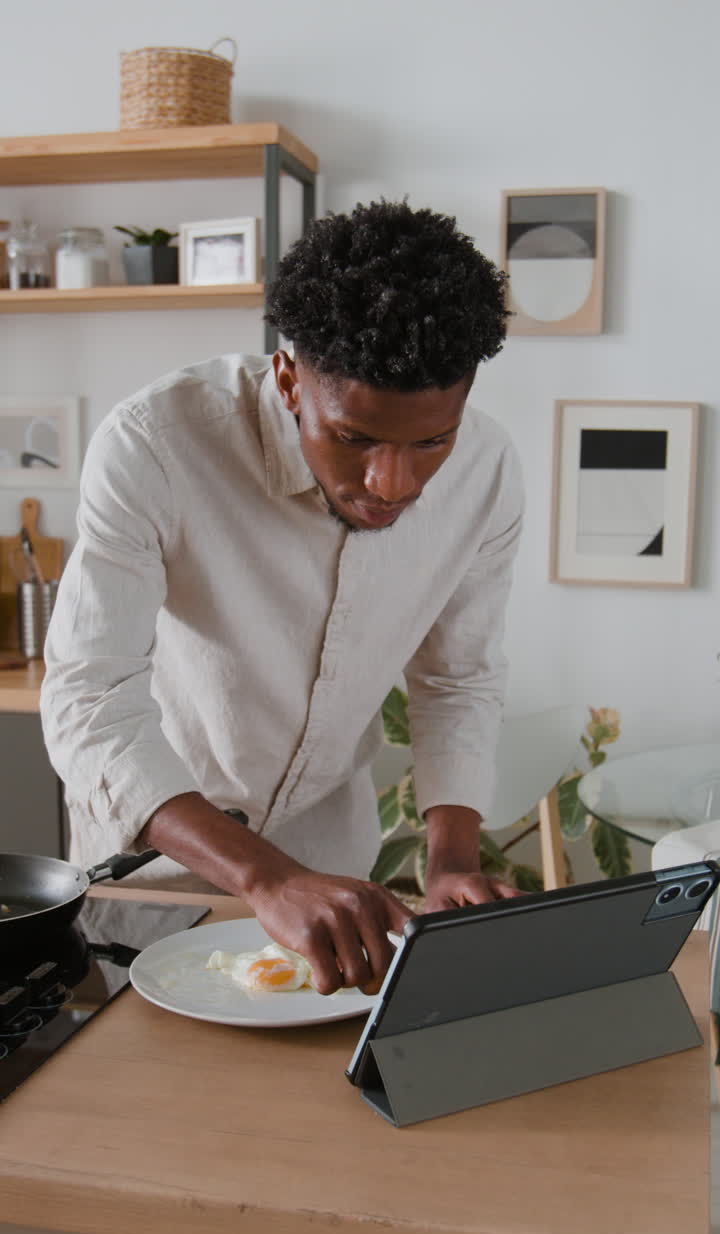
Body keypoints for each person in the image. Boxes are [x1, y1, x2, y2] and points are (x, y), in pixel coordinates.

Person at [40, 199, 524, 996]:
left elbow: (458, 678)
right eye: (356, 437)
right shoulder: (155, 444)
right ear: (290, 376)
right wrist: (265, 879)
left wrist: (452, 865)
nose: (392, 485)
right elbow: (90, 698)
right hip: (156, 872)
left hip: (335, 875)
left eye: (431, 441)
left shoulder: (490, 472)